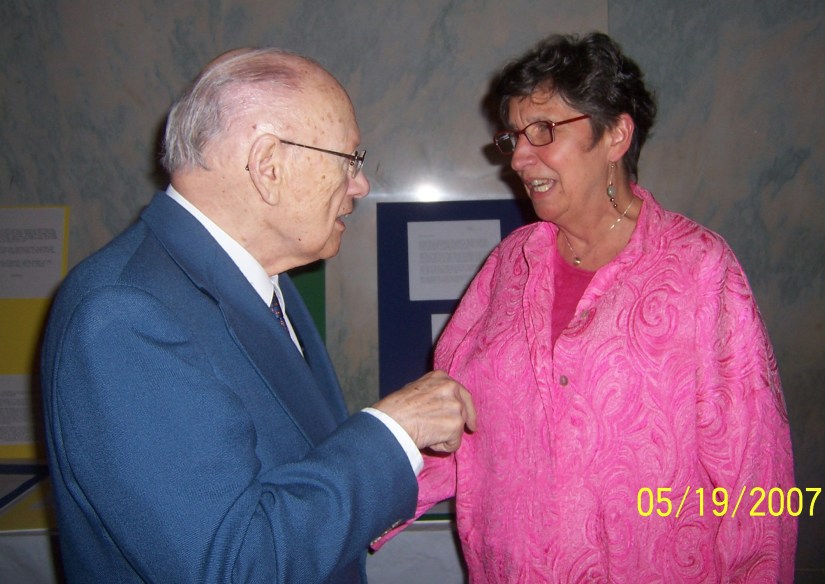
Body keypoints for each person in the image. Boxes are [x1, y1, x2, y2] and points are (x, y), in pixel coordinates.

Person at [40, 48, 476, 583]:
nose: (359, 185)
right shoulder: (124, 314)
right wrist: (396, 433)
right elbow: (232, 565)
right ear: (269, 164)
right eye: (350, 159)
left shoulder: (267, 283)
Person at [373, 32, 796, 582]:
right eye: (515, 137)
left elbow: (754, 472)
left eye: (544, 131)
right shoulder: (509, 266)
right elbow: (451, 421)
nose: (520, 159)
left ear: (616, 135)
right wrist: (357, 500)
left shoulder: (698, 268)